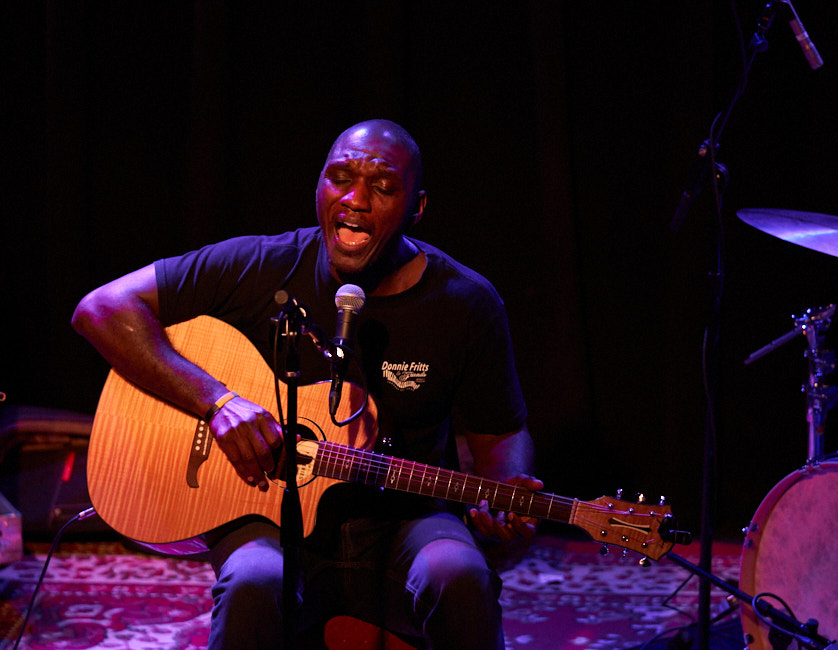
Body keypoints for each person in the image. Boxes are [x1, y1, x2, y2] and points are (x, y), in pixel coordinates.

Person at [71, 119, 542, 649]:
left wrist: (504, 498)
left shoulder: (467, 302)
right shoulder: (259, 265)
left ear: (418, 206)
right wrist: (217, 401)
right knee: (253, 581)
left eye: (383, 187)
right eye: (339, 177)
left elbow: (500, 432)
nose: (354, 200)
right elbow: (101, 309)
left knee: (461, 576)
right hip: (267, 516)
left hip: (404, 521)